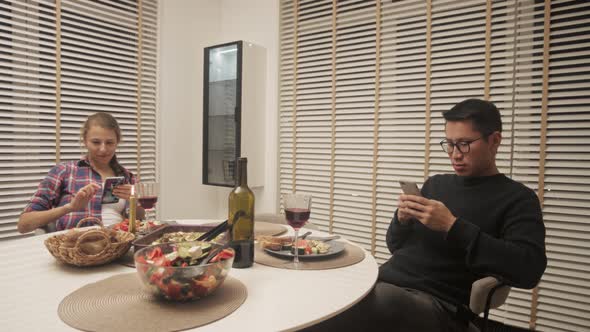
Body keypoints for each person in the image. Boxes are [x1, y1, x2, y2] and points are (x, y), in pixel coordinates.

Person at [303, 99, 547, 332]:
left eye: (464, 144)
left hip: (441, 306)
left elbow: (529, 270)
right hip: (385, 284)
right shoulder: (436, 185)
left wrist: (452, 226)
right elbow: (395, 245)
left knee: (354, 308)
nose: (455, 154)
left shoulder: (517, 198)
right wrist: (401, 220)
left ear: (494, 141)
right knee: (326, 294)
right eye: (449, 144)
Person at [17, 112, 144, 233]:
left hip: (119, 245)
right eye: (96, 142)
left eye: (110, 142)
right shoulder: (65, 171)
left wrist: (137, 202)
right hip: (77, 248)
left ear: (117, 142)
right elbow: (24, 225)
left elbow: (139, 222)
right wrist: (69, 207)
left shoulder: (128, 177)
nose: (103, 149)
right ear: (84, 141)